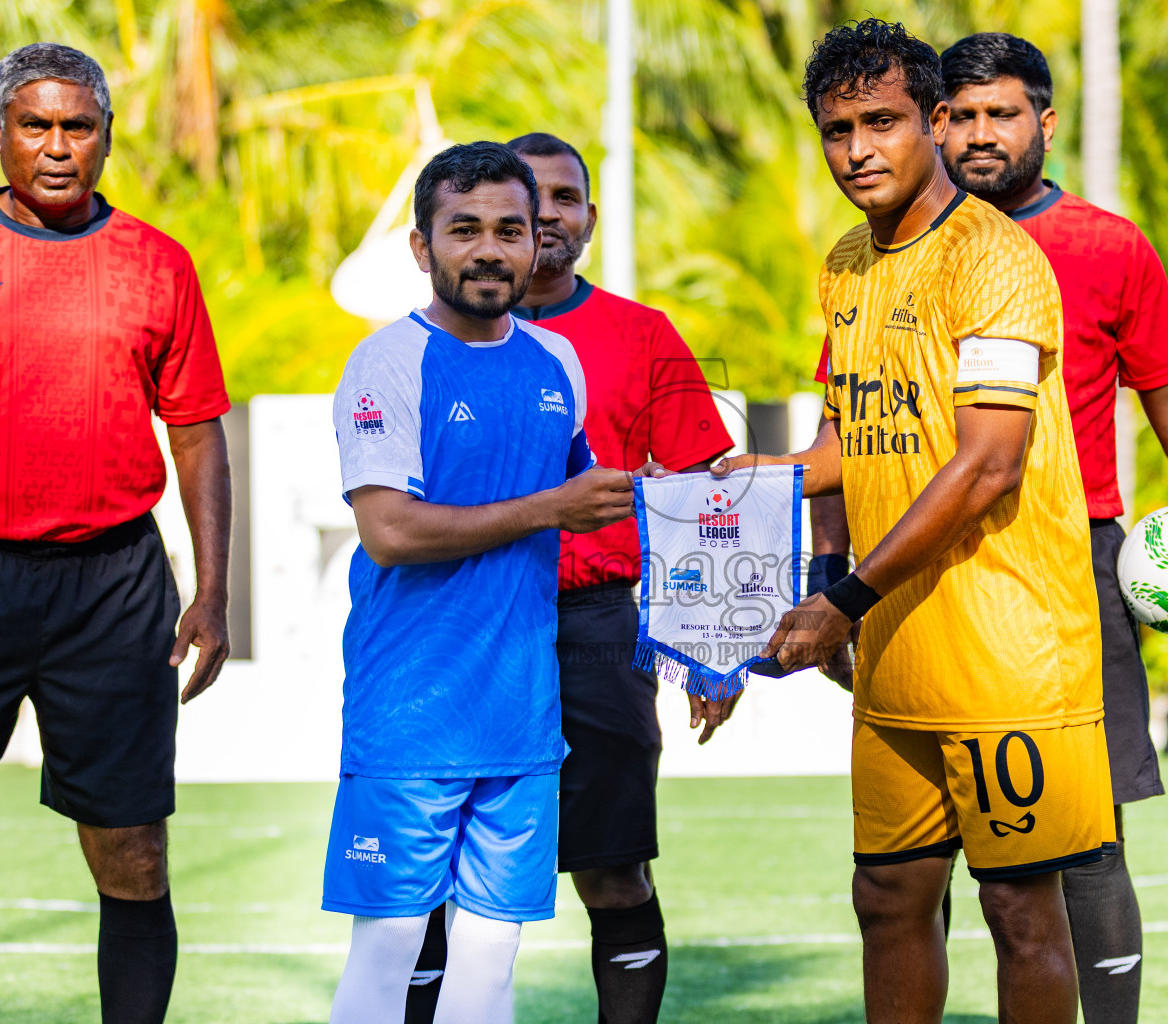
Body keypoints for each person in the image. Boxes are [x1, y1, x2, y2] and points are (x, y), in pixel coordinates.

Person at [809, 32, 1168, 1023]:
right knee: (900, 882)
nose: (981, 133)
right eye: (966, 114)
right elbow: (851, 425)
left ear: (1045, 122)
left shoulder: (1095, 247)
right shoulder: (863, 259)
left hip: (1062, 568)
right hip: (904, 575)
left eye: (1002, 113)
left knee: (1079, 850)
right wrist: (821, 557)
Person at [711, 20, 1114, 1024]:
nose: (858, 150)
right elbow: (865, 436)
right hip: (898, 653)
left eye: (882, 122)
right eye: (837, 129)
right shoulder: (846, 263)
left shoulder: (996, 257)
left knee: (1019, 912)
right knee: (887, 897)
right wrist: (761, 476)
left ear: (933, 121)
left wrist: (842, 598)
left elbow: (986, 463)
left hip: (1009, 654)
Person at [402, 132, 733, 1024]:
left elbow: (703, 497)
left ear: (589, 215)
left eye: (565, 198)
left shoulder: (643, 335)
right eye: (530, 199)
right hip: (463, 625)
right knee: (432, 878)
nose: (547, 215)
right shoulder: (422, 345)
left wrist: (715, 647)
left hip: (595, 629)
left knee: (614, 867)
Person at [0, 43, 232, 1024]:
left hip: (113, 587)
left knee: (134, 853)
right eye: (37, 126)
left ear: (106, 136)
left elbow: (196, 431)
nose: (58, 147)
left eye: (78, 127)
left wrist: (214, 591)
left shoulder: (158, 263)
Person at [323, 141, 639, 1024]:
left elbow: (583, 497)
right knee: (390, 948)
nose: (490, 250)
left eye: (511, 229)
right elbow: (390, 532)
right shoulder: (386, 363)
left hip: (522, 717)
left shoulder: (557, 362)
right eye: (464, 230)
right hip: (410, 718)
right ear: (421, 247)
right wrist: (554, 507)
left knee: (492, 958)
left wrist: (679, 504)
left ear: (539, 242)